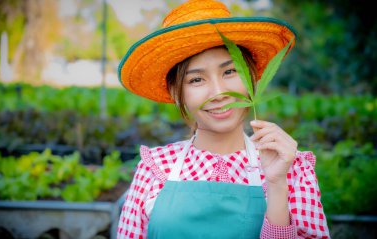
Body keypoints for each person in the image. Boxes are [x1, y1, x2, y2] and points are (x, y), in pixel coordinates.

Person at [116, 0, 330, 238]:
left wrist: (277, 184)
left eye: (229, 72)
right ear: (178, 93)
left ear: (251, 78)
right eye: (196, 80)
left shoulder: (291, 168)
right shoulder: (155, 168)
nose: (219, 93)